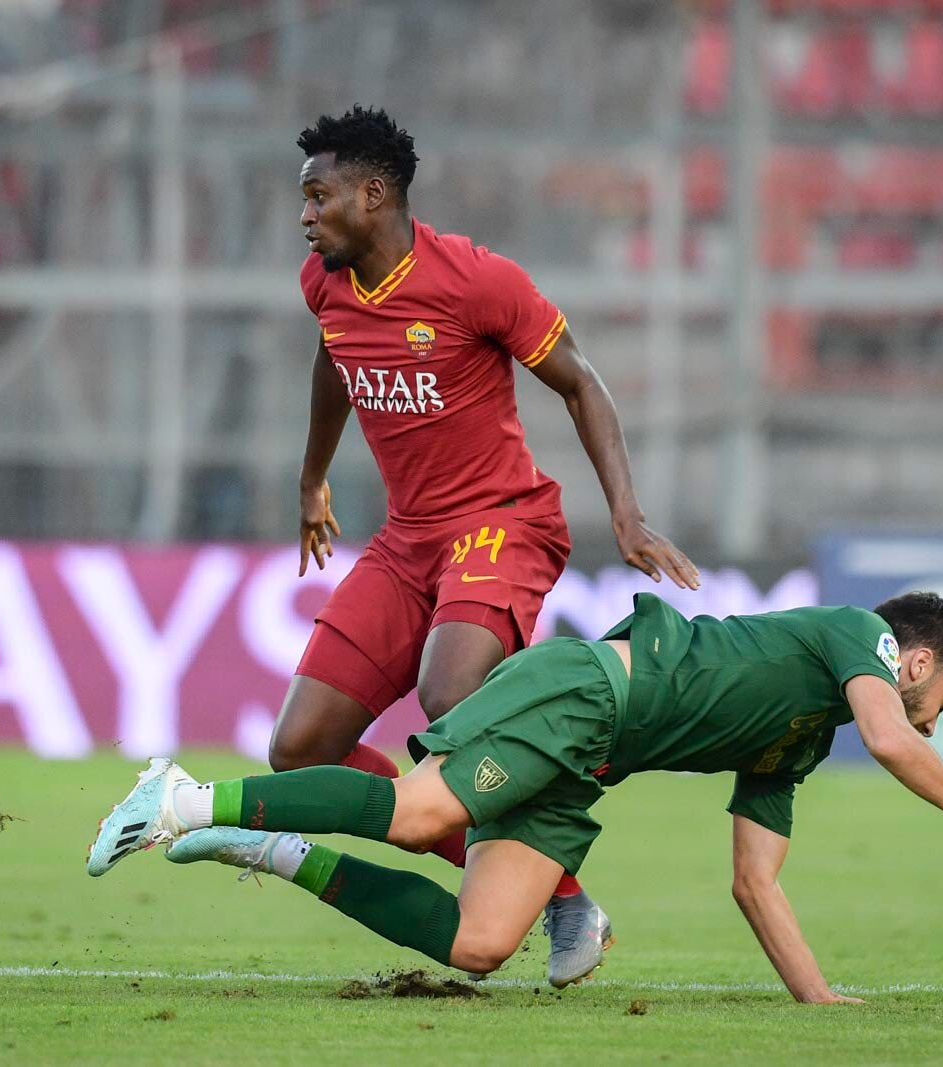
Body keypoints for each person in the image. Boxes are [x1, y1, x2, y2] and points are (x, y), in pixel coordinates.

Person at [87, 590, 943, 1002]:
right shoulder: (855, 634)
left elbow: (757, 884)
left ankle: (268, 848)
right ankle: (186, 795)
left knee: (481, 943)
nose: (933, 723)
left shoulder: (797, 738)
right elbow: (888, 733)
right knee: (423, 812)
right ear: (915, 659)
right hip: (585, 693)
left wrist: (820, 1001)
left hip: (585, 762)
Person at [261, 104, 699, 984]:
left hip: (503, 524)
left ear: (373, 193)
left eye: (318, 196)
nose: (304, 215)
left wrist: (626, 512)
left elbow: (582, 382)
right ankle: (560, 890)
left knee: (450, 692)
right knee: (299, 746)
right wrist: (313, 477)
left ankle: (544, 877)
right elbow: (334, 361)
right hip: (408, 540)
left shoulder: (475, 280)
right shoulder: (326, 285)